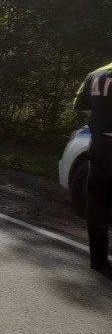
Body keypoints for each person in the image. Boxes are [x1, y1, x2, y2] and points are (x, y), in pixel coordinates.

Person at [73, 62, 112, 274]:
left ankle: (99, 262)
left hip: (100, 146)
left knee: (98, 204)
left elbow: (81, 105)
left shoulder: (96, 73)